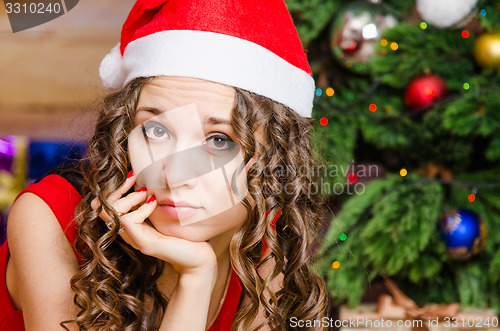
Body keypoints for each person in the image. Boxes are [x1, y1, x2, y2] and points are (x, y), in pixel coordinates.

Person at [1, 0, 330, 330]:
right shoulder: (50, 218)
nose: (173, 175)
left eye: (219, 140)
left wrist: (195, 274)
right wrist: (198, 277)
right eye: (156, 131)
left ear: (274, 160)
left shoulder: (264, 244)